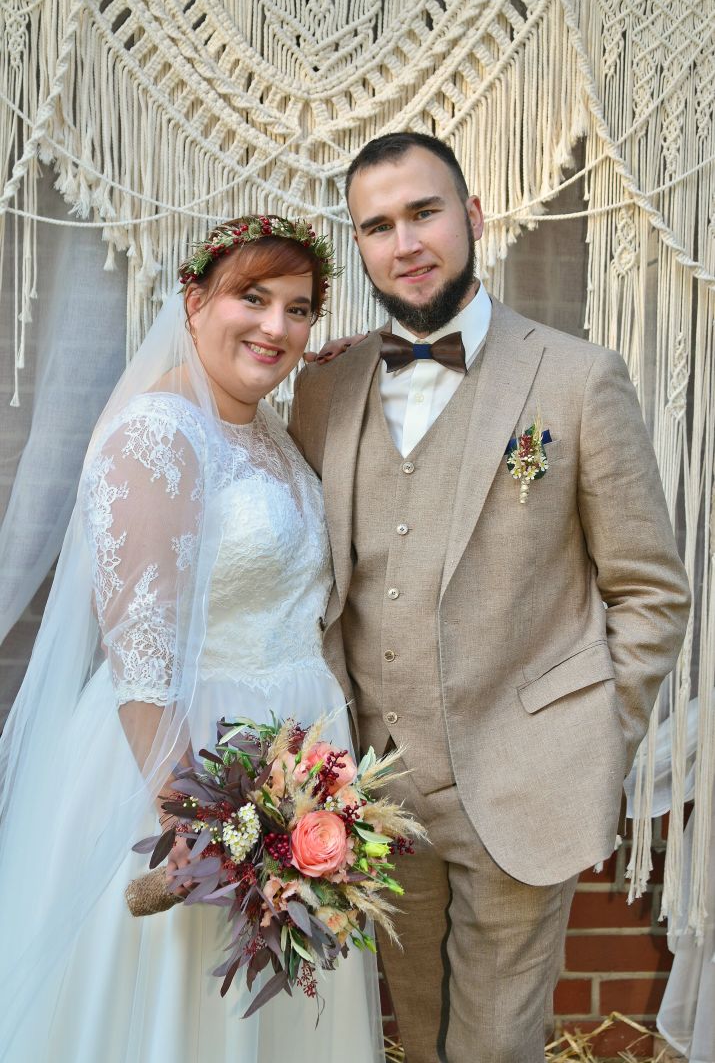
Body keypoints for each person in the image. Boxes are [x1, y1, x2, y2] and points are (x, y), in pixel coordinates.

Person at [288, 133, 691, 1063]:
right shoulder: (325, 387)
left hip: (521, 783)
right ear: (361, 249)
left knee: (493, 1049)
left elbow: (649, 592)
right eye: (377, 226)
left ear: (471, 218)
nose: (405, 243)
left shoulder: (577, 379)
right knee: (413, 1037)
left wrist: (590, 737)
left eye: (423, 212)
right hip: (374, 797)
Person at [0, 216, 384, 1063]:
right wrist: (189, 813)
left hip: (295, 759)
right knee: (184, 1010)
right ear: (194, 301)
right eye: (253, 299)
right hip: (189, 762)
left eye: (298, 308)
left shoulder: (267, 432)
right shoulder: (157, 433)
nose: (276, 327)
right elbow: (139, 647)